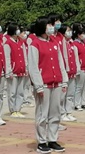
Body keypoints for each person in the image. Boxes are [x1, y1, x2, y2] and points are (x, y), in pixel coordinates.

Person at [28, 16, 67, 153]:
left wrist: (64, 79)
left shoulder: (54, 42)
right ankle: (42, 141)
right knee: (42, 114)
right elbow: (33, 66)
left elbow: (60, 61)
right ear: (42, 27)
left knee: (55, 113)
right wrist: (38, 85)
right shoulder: (35, 44)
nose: (51, 27)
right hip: (43, 84)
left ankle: (52, 139)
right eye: (49, 25)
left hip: (56, 82)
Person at [4, 22, 28, 118]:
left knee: (20, 91)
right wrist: (9, 71)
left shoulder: (21, 42)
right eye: (17, 29)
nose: (19, 31)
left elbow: (24, 56)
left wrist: (26, 67)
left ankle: (18, 109)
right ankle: (12, 110)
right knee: (12, 92)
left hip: (21, 70)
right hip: (13, 71)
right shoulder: (8, 43)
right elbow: (7, 58)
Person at [59, 24, 78, 122]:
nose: (69, 32)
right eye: (67, 30)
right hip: (65, 72)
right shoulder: (61, 43)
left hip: (72, 71)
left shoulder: (72, 43)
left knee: (70, 94)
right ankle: (62, 113)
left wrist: (77, 69)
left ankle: (69, 112)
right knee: (63, 95)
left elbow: (75, 58)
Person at [72, 23, 85, 111]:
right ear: (78, 35)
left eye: (84, 33)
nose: (84, 35)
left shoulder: (84, 44)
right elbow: (76, 57)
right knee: (79, 87)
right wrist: (77, 68)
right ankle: (77, 104)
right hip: (81, 68)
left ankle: (84, 103)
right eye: (82, 34)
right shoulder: (75, 44)